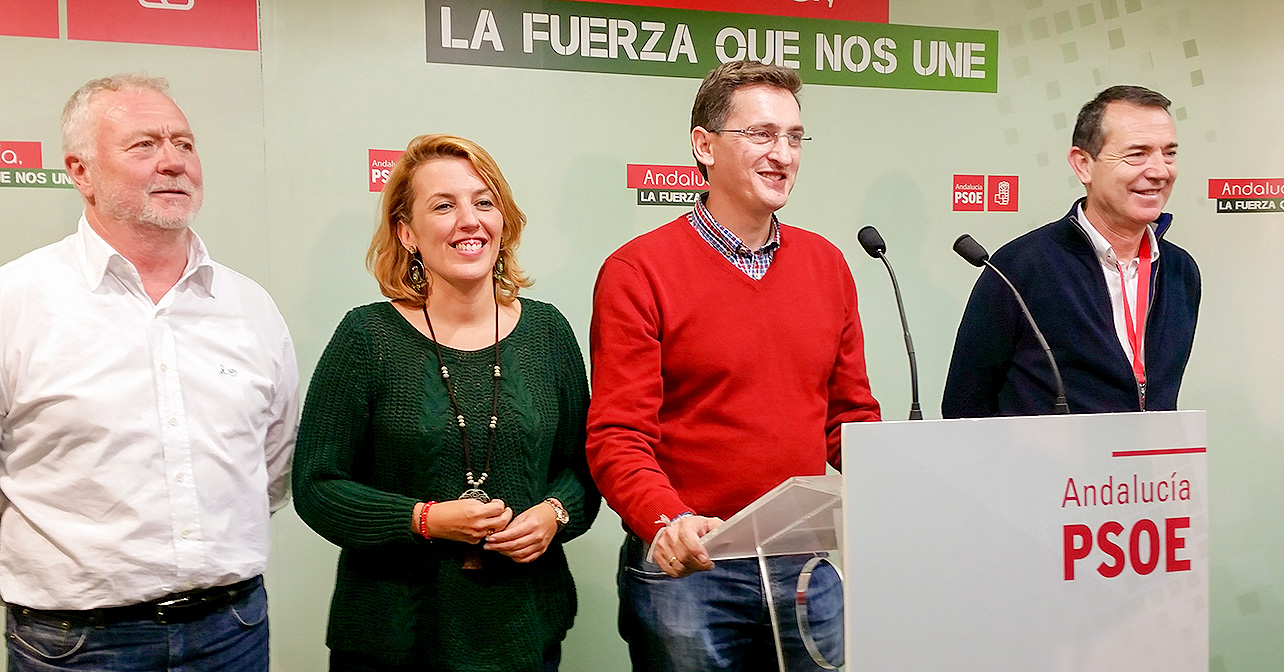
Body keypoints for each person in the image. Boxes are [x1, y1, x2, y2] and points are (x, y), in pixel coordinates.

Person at [586, 60, 881, 671]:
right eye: (762, 135)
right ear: (704, 146)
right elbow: (619, 435)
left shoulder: (828, 266)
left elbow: (848, 417)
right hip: (694, 569)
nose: (783, 154)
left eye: (795, 137)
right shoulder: (639, 272)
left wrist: (896, 478)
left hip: (808, 570)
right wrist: (665, 519)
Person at [0, 74, 298, 671]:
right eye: (144, 146)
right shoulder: (16, 301)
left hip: (233, 632)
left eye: (184, 143)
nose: (173, 162)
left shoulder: (250, 307)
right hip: (75, 645)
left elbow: (271, 463)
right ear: (80, 171)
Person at [293, 134, 599, 672]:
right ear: (406, 233)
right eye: (444, 205)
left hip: (522, 632)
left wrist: (555, 513)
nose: (469, 220)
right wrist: (423, 519)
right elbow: (317, 487)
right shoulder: (366, 338)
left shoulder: (548, 331)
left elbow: (585, 468)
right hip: (393, 639)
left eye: (484, 202)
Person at [942, 85, 1200, 418]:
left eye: (1169, 153)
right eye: (1137, 153)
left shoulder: (1181, 270)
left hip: (1142, 470)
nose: (1160, 171)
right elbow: (965, 406)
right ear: (1083, 165)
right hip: (1040, 471)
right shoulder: (1020, 268)